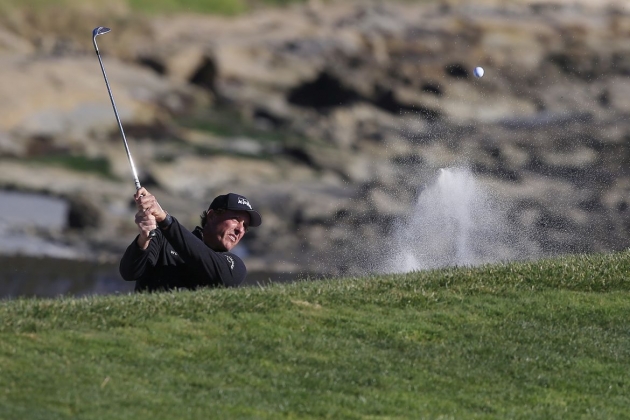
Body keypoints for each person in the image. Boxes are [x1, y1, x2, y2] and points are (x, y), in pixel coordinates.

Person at [119, 187, 262, 292]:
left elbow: (221, 276)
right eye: (236, 219)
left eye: (246, 226)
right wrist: (144, 238)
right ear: (212, 216)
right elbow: (129, 272)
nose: (240, 230)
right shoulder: (162, 239)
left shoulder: (234, 266)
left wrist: (164, 220)